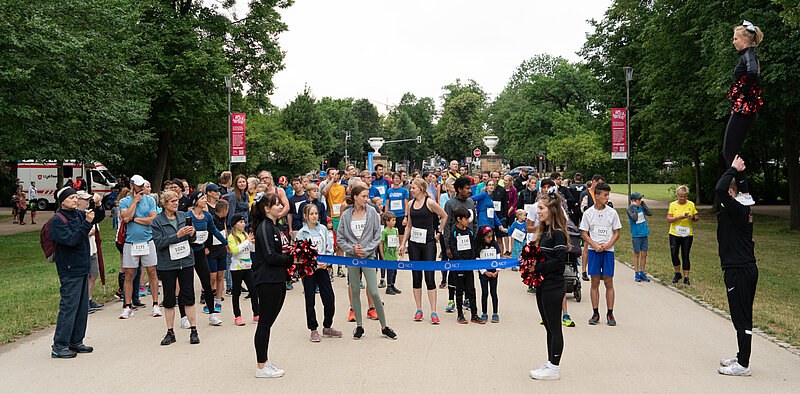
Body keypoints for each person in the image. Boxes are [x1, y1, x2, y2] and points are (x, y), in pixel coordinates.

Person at [716, 155, 758, 376]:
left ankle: (743, 365)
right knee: (742, 316)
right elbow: (733, 188)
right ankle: (742, 356)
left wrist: (732, 169)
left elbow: (720, 189)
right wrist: (739, 170)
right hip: (740, 268)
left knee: (741, 317)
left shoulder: (738, 210)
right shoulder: (742, 208)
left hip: (739, 270)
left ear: (732, 195)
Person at [337, 185, 397, 340]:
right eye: (363, 196)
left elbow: (377, 236)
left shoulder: (372, 212)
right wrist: (352, 248)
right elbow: (340, 238)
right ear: (355, 197)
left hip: (368, 257)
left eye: (367, 196)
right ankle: (359, 326)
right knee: (355, 290)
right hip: (352, 257)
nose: (366, 199)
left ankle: (384, 326)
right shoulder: (345, 215)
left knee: (374, 291)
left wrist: (367, 250)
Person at [49, 187, 103, 358]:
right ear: (62, 200)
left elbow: (97, 217)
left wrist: (98, 205)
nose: (75, 200)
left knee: (81, 307)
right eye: (71, 197)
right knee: (69, 307)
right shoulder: (58, 220)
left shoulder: (77, 214)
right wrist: (86, 224)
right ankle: (60, 345)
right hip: (69, 270)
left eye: (75, 197)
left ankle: (76, 341)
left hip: (82, 267)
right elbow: (72, 240)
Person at [251, 192, 294, 378]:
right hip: (267, 279)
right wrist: (291, 259)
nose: (280, 207)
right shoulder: (264, 227)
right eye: (276, 204)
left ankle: (265, 361)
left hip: (278, 278)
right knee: (264, 323)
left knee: (268, 323)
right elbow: (269, 256)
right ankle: (261, 366)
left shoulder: (276, 227)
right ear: (267, 208)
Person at [529, 191, 570, 381]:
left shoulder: (558, 235)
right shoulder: (543, 233)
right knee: (547, 326)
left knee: (554, 327)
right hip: (542, 284)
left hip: (553, 286)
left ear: (552, 210)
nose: (537, 212)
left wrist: (537, 266)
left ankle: (554, 368)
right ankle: (550, 362)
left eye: (541, 208)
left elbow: (559, 263)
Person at [151, 190, 199, 346]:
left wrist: (192, 234)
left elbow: (192, 239)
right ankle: (170, 332)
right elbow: (158, 243)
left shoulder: (184, 217)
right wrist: (176, 236)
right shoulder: (157, 221)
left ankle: (194, 330)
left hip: (185, 261)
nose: (176, 203)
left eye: (177, 200)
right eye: (172, 201)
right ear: (164, 204)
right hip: (168, 264)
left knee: (189, 296)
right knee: (169, 298)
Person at [723, 21, 763, 207]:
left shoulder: (749, 56)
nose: (733, 42)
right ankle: (741, 192)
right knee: (731, 151)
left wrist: (743, 92)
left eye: (735, 38)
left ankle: (744, 193)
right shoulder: (746, 56)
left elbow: (753, 73)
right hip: (742, 108)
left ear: (745, 40)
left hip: (744, 109)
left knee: (729, 150)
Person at [398, 178, 448, 324]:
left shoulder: (430, 202)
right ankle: (419, 309)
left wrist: (439, 232)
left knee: (430, 277)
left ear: (420, 189)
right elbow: (408, 226)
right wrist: (403, 244)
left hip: (428, 243)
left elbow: (444, 215)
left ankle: (433, 311)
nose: (411, 190)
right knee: (416, 276)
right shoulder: (410, 204)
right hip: (414, 243)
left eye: (413, 187)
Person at [296, 204, 341, 341]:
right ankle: (313, 328)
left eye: (316, 213)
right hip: (308, 269)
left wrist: (326, 262)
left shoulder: (322, 229)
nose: (314, 216)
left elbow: (329, 246)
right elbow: (299, 254)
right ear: (305, 216)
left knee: (329, 297)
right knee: (310, 299)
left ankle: (327, 326)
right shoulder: (301, 233)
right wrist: (312, 264)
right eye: (311, 214)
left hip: (322, 268)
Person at [579, 182, 621, 326]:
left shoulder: (612, 212)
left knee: (609, 281)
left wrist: (608, 244)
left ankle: (610, 313)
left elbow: (617, 232)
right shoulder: (589, 213)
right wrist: (594, 245)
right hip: (594, 250)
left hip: (608, 251)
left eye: (608, 195)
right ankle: (595, 312)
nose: (607, 197)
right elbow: (584, 233)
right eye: (604, 195)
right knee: (595, 281)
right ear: (596, 196)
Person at [118, 175, 159, 319]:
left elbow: (152, 219)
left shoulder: (150, 200)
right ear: (132, 186)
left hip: (147, 241)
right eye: (139, 185)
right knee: (129, 274)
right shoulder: (124, 201)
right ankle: (127, 306)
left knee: (152, 272)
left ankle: (155, 304)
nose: (141, 188)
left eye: (143, 185)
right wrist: (135, 202)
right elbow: (126, 217)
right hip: (131, 242)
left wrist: (136, 219)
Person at [186, 191, 228, 326]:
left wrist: (226, 242)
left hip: (200, 253)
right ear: (195, 201)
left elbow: (214, 230)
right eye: (202, 198)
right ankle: (184, 316)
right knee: (186, 285)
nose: (205, 200)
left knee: (207, 283)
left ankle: (212, 314)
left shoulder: (207, 216)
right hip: (188, 253)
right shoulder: (188, 216)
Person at [447, 207, 480, 324]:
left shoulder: (470, 231)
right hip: (459, 266)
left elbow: (473, 247)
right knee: (459, 290)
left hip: (468, 265)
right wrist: (460, 261)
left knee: (471, 290)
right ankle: (460, 314)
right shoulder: (454, 232)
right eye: (466, 218)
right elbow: (453, 248)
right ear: (459, 219)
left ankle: (474, 314)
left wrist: (470, 259)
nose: (468, 221)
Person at [227, 213, 259, 326]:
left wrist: (253, 243)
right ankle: (237, 316)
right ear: (235, 225)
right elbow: (235, 250)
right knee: (236, 292)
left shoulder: (245, 234)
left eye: (244, 222)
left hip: (247, 266)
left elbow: (252, 250)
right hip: (237, 268)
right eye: (240, 222)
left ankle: (256, 313)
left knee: (253, 290)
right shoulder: (231, 237)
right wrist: (247, 242)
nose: (243, 224)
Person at [667, 185, 699, 285]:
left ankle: (686, 277)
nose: (682, 198)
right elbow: (669, 219)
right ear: (677, 195)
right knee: (674, 254)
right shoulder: (673, 205)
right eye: (680, 196)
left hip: (687, 234)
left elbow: (697, 217)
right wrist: (679, 217)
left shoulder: (691, 204)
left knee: (685, 254)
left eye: (684, 196)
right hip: (674, 233)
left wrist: (692, 218)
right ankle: (677, 273)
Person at [475, 225, 501, 323]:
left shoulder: (495, 244)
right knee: (484, 293)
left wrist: (497, 271)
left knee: (493, 293)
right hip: (484, 274)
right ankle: (484, 313)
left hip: (494, 273)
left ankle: (495, 313)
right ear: (483, 237)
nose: (490, 239)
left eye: (491, 237)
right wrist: (485, 272)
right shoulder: (479, 246)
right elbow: (478, 260)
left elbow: (498, 257)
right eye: (488, 237)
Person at [627, 192, 652, 282]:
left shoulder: (642, 207)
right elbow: (635, 218)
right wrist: (635, 207)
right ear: (633, 201)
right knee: (637, 254)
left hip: (644, 233)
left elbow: (649, 213)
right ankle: (636, 273)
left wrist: (643, 204)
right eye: (639, 199)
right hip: (636, 235)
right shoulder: (630, 209)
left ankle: (642, 272)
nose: (640, 201)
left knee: (644, 254)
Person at [380, 211, 402, 295]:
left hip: (394, 254)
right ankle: (388, 286)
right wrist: (382, 254)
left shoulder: (395, 230)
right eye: (393, 220)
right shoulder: (385, 232)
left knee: (395, 271)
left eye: (395, 220)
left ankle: (392, 285)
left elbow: (396, 240)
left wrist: (399, 248)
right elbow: (381, 243)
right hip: (387, 255)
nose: (394, 222)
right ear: (387, 221)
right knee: (390, 271)